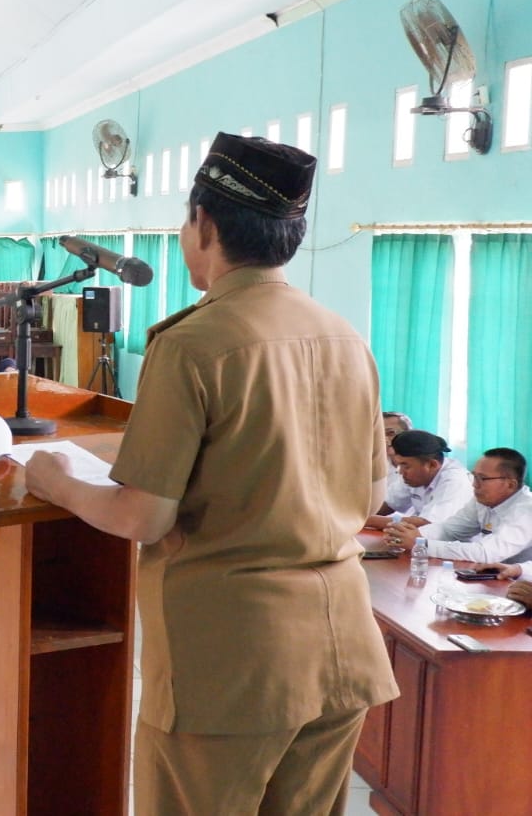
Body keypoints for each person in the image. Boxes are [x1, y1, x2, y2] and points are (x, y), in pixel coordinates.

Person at [22, 132, 396, 813]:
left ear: (206, 223)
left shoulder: (193, 343)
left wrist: (55, 479)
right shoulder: (346, 338)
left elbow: (142, 515)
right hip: (342, 650)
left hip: (233, 662)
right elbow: (370, 492)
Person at [383, 447, 532, 566]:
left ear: (510, 485)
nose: (474, 484)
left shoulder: (526, 510)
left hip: (520, 587)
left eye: (482, 479)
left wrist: (422, 545)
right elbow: (449, 529)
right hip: (488, 575)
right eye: (474, 476)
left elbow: (486, 553)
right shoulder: (482, 501)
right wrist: (415, 536)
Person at [372, 430, 474, 529]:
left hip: (454, 544)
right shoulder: (413, 476)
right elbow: (388, 504)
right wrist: (360, 516)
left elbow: (428, 524)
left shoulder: (455, 481)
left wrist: (367, 521)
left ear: (432, 465)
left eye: (405, 466)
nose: (400, 471)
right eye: (399, 465)